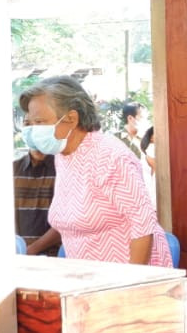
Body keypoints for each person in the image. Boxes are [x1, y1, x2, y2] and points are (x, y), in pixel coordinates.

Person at [19, 77, 171, 267]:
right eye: (30, 123)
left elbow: (143, 226)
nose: (32, 130)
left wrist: (130, 287)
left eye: (39, 122)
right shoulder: (64, 156)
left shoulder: (110, 156)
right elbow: (70, 220)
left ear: (71, 119)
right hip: (88, 280)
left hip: (128, 281)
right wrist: (30, 250)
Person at [13, 144, 60, 256]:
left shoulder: (62, 170)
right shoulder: (12, 170)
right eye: (28, 125)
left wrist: (31, 250)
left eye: (39, 125)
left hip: (55, 258)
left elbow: (67, 222)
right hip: (16, 255)